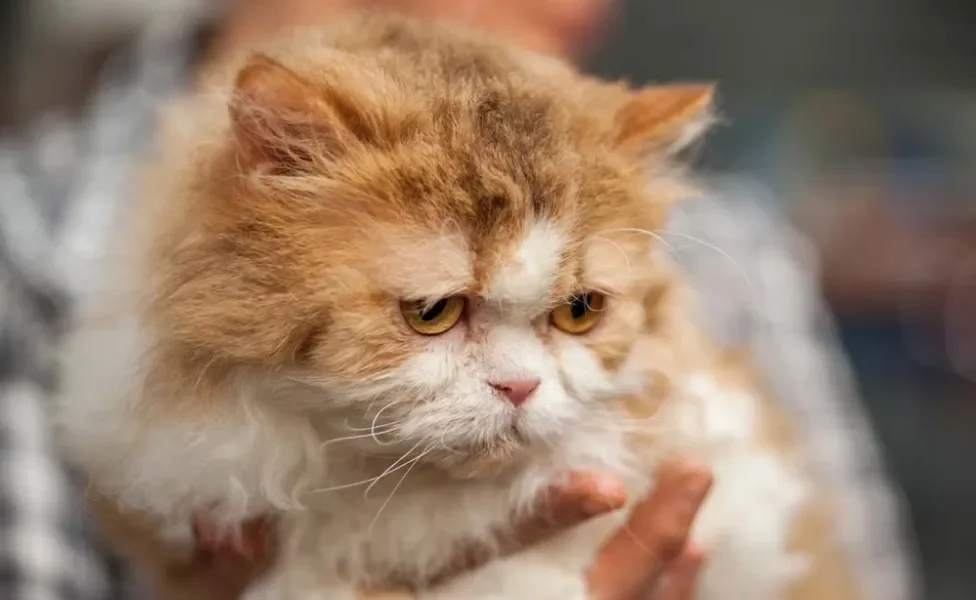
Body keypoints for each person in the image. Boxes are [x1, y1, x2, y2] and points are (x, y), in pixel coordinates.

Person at [0, 1, 919, 599]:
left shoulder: (737, 241)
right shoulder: (28, 237)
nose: (523, 383)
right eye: (433, 310)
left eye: (577, 312)